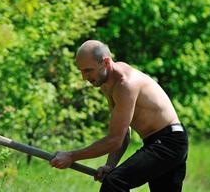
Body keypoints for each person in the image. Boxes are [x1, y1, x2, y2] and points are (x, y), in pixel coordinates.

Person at [50, 40, 188, 192]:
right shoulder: (107, 84)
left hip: (170, 142)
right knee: (114, 180)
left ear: (106, 62)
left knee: (114, 183)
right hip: (160, 142)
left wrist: (71, 156)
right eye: (81, 71)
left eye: (88, 70)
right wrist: (110, 165)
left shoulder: (125, 84)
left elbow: (114, 140)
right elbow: (122, 135)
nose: (84, 77)